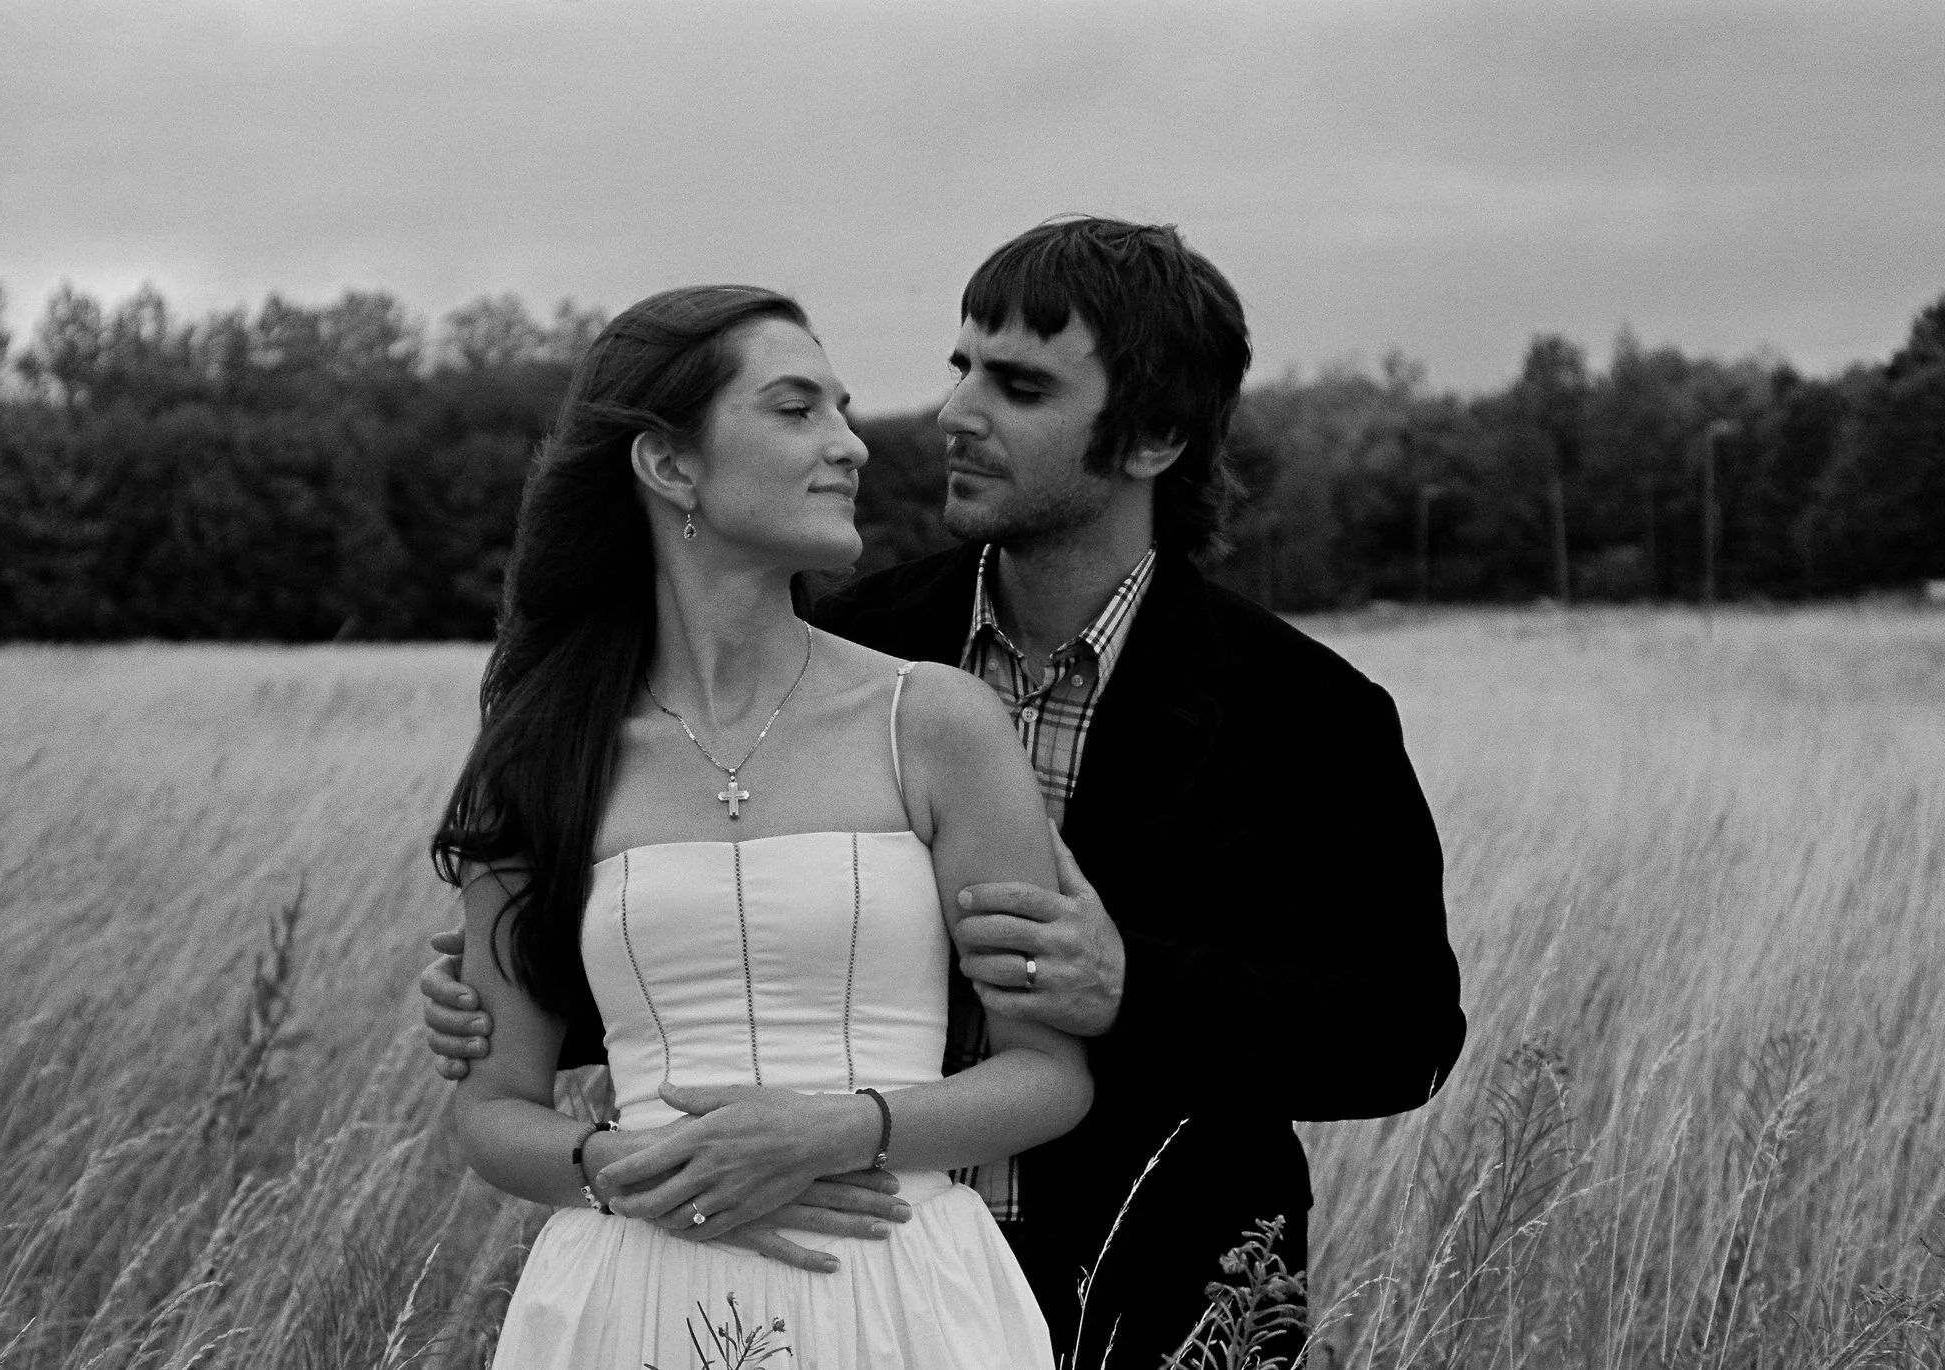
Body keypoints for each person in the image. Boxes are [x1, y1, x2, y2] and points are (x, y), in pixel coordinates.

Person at [426, 218, 1467, 1364]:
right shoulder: (855, 638)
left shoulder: (1303, 712)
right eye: (958, 367)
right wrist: (520, 980)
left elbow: (1400, 1036)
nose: (954, 414)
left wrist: (1129, 985)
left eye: (1016, 385)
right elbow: (748, 927)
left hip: (1148, 1284)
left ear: (1155, 435)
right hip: (785, 1273)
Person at [431, 283, 1091, 1369]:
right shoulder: (543, 748)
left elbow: (1047, 1073)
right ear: (670, 465)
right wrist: (620, 1166)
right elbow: (494, 1103)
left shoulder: (931, 721)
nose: (850, 446)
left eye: (840, 410)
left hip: (897, 1287)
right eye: (796, 410)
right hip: (628, 1292)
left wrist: (842, 1128)